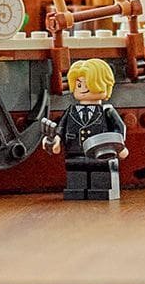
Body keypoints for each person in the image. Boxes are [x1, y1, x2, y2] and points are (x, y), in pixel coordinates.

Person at [49, 58, 128, 201]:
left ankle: (101, 190)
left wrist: (119, 147)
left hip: (101, 152)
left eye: (89, 84)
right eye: (79, 84)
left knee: (101, 171)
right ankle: (76, 191)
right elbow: (61, 127)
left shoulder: (106, 111)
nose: (83, 89)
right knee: (76, 171)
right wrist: (57, 140)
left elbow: (119, 127)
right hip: (75, 150)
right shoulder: (71, 110)